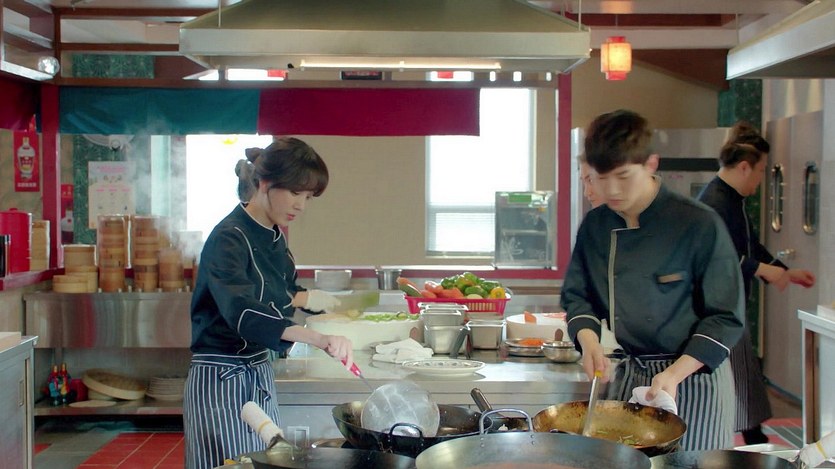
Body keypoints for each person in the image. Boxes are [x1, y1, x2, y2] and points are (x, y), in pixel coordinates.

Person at [561, 109, 745, 451]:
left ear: (651, 164)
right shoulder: (596, 226)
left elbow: (725, 317)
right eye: (601, 177)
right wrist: (589, 342)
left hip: (694, 379)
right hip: (632, 375)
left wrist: (674, 374)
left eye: (623, 176)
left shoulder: (698, 223)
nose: (611, 190)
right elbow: (578, 295)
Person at [183, 137, 354, 469]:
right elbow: (243, 312)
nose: (301, 206)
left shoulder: (276, 239)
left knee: (264, 463)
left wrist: (310, 303)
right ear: (264, 184)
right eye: (294, 192)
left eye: (307, 197)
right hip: (221, 378)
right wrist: (317, 338)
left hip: (258, 371)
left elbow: (282, 294)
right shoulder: (228, 238)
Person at [697, 123, 816, 444]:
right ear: (744, 167)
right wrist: (765, 270)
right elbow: (719, 258)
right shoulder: (715, 202)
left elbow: (749, 246)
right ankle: (755, 445)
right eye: (762, 170)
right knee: (742, 388)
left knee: (745, 387)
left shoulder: (731, 199)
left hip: (728, 305)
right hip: (717, 308)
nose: (761, 179)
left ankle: (756, 443)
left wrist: (784, 271)